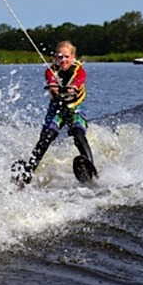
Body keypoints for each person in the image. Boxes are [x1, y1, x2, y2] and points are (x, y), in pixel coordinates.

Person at [12, 40, 98, 184]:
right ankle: (29, 170)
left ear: (73, 57)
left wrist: (73, 87)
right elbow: (50, 79)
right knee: (47, 137)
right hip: (57, 109)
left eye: (66, 57)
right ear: (55, 58)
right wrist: (53, 86)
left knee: (78, 134)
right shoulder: (51, 70)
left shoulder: (79, 71)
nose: (63, 60)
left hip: (74, 108)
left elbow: (80, 80)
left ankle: (89, 167)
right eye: (60, 57)